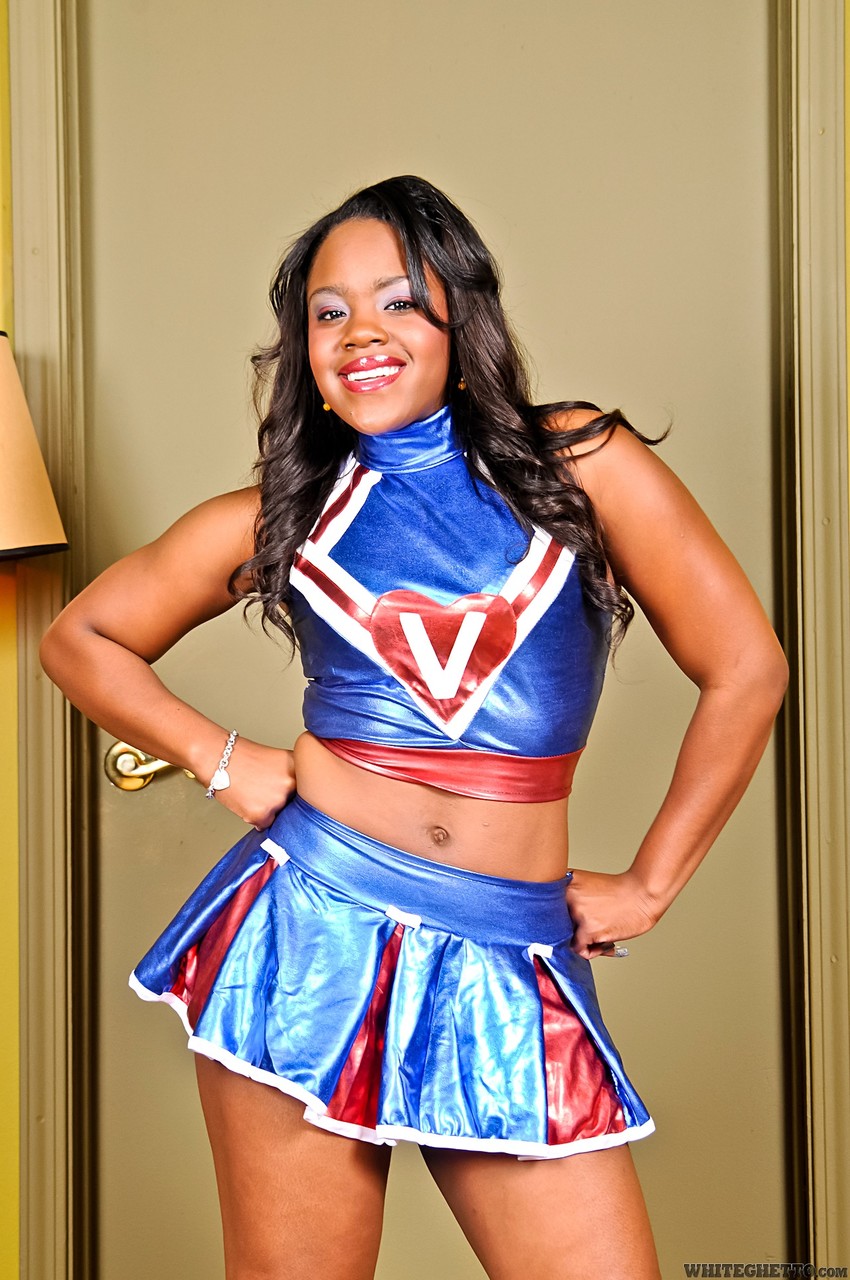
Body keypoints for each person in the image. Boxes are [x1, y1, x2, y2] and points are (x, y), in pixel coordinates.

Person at [40, 175, 788, 1280]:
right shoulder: (285, 513)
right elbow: (82, 636)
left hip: (505, 944)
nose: (360, 333)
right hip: (307, 933)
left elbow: (746, 667)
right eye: (328, 312)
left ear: (458, 319)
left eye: (397, 301)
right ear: (305, 351)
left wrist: (649, 883)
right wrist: (221, 759)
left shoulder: (579, 462)